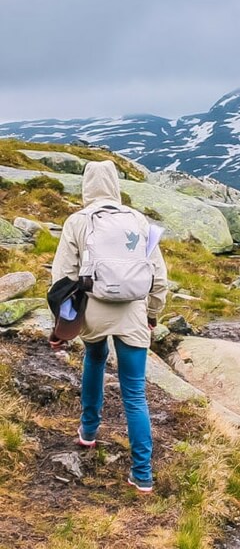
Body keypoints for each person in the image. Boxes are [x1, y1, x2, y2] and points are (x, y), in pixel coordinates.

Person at [50, 159, 168, 494]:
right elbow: (158, 278)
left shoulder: (78, 221)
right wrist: (153, 314)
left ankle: (88, 432)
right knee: (134, 393)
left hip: (93, 310)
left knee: (95, 358)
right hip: (132, 311)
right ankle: (142, 475)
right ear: (115, 185)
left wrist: (61, 326)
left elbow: (62, 279)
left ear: (86, 187)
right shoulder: (138, 220)